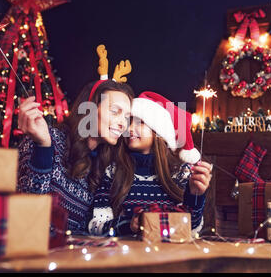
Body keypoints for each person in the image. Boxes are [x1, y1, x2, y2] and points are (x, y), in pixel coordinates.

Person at [17, 45, 134, 234]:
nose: (123, 123)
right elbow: (29, 214)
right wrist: (43, 147)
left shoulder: (102, 164)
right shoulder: (48, 139)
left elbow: (85, 230)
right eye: (115, 111)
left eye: (127, 117)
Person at [88, 91, 212, 237]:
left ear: (158, 132)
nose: (129, 129)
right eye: (128, 122)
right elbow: (96, 226)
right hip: (123, 256)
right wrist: (129, 225)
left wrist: (195, 196)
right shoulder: (113, 171)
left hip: (169, 255)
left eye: (140, 122)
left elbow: (192, 229)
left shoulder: (181, 172)